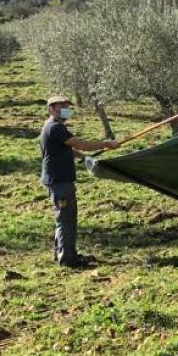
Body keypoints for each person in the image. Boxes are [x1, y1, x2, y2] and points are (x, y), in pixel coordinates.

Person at [40, 96, 119, 268]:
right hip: (60, 180)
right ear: (51, 109)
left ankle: (61, 253)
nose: (67, 110)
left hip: (58, 179)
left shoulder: (52, 126)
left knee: (63, 218)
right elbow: (80, 143)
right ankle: (68, 260)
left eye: (68, 106)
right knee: (66, 219)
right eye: (62, 106)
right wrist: (106, 144)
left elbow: (67, 148)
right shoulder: (55, 127)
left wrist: (80, 156)